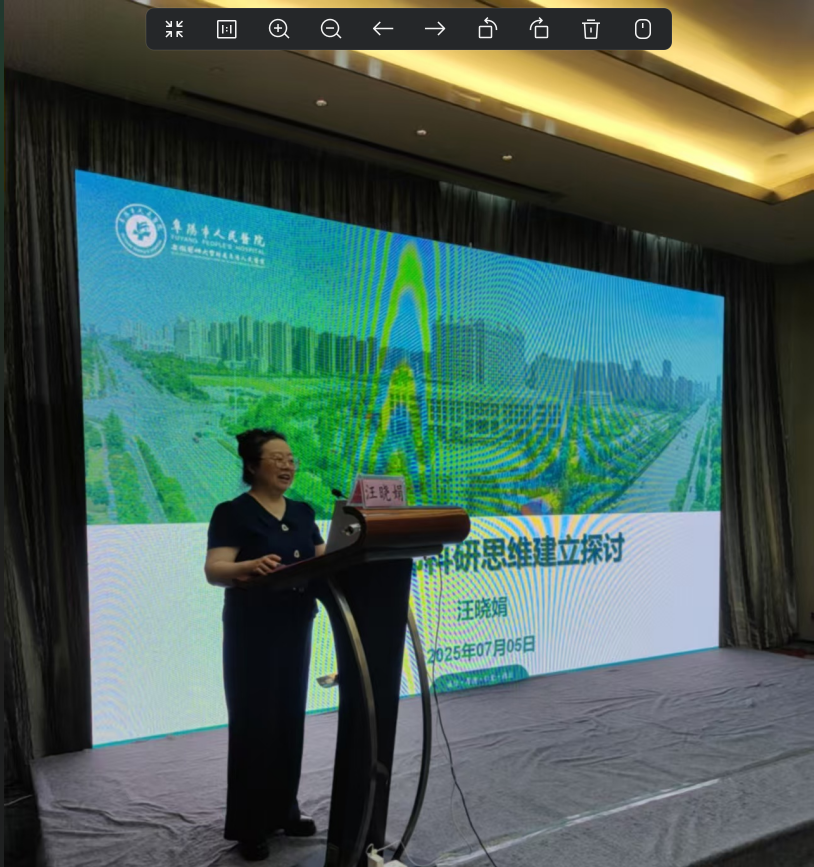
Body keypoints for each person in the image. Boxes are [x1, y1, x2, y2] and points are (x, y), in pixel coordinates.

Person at [205, 428, 326, 861]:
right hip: (252, 630)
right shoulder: (233, 513)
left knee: (289, 719)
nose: (287, 465)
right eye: (277, 458)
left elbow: (324, 559)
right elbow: (214, 569)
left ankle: (283, 811)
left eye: (291, 458)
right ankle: (250, 825)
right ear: (252, 466)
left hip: (296, 623)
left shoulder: (303, 511)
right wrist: (250, 565)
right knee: (254, 722)